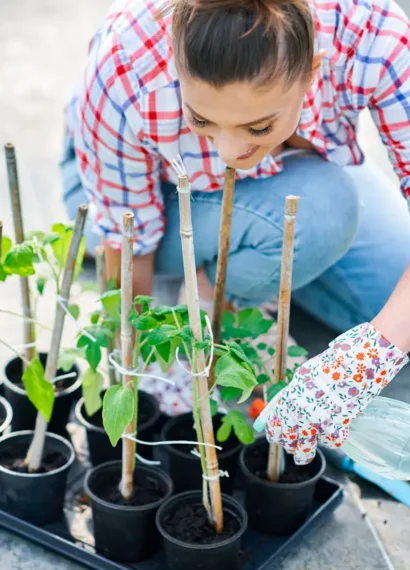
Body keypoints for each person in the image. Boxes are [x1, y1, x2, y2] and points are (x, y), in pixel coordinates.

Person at [61, 0, 410, 458]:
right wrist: (140, 358)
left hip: (303, 175)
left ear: (312, 72)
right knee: (326, 209)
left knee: (382, 290)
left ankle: (258, 266)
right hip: (151, 194)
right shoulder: (126, 63)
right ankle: (223, 290)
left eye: (257, 124)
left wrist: (368, 357)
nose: (228, 151)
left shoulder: (374, 37)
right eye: (201, 120)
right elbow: (127, 241)